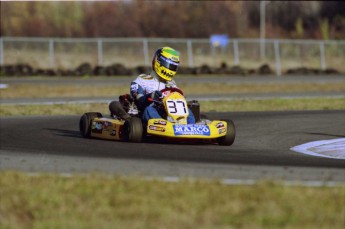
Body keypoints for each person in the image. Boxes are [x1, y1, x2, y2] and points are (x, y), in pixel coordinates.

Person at [109, 46, 195, 124]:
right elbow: (140, 103)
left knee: (188, 110)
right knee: (147, 109)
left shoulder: (172, 84)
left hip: (168, 113)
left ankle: (189, 128)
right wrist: (150, 96)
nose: (170, 69)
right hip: (147, 112)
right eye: (168, 65)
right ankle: (163, 126)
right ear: (158, 62)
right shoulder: (142, 80)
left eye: (173, 66)